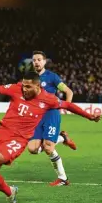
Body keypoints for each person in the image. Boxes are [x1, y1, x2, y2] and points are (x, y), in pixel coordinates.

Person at [0, 72, 101, 203]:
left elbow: (68, 105)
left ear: (38, 86)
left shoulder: (48, 99)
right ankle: (10, 192)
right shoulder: (16, 88)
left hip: (19, 139)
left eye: (28, 87)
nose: (24, 89)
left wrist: (89, 116)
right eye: (23, 85)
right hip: (1, 133)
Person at [27, 51, 77, 186]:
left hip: (50, 114)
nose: (36, 62)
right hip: (36, 116)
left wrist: (67, 106)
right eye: (34, 60)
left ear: (44, 62)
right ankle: (62, 138)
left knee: (48, 148)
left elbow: (68, 92)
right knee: (33, 149)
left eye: (39, 60)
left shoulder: (52, 77)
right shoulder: (29, 78)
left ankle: (63, 178)